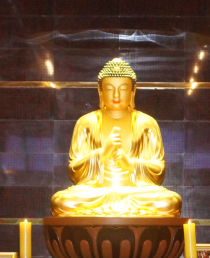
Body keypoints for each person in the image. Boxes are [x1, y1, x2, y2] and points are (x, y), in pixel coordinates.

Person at [50, 58, 181, 217]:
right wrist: (102, 153)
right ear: (100, 91)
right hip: (97, 193)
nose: (116, 95)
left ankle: (110, 209)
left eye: (123, 89)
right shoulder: (86, 123)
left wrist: (130, 164)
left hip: (133, 193)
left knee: (170, 202)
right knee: (61, 201)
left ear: (133, 91)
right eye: (109, 89)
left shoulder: (146, 123)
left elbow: (158, 171)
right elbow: (74, 171)